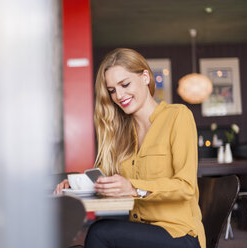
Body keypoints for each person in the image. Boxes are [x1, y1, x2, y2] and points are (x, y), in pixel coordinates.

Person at [55, 48, 205, 248]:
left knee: (100, 232)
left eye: (125, 84)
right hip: (140, 231)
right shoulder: (123, 133)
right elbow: (107, 180)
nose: (119, 95)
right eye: (112, 90)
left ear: (144, 76)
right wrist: (76, 185)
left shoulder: (178, 116)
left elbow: (186, 187)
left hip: (179, 234)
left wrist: (134, 188)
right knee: (95, 234)